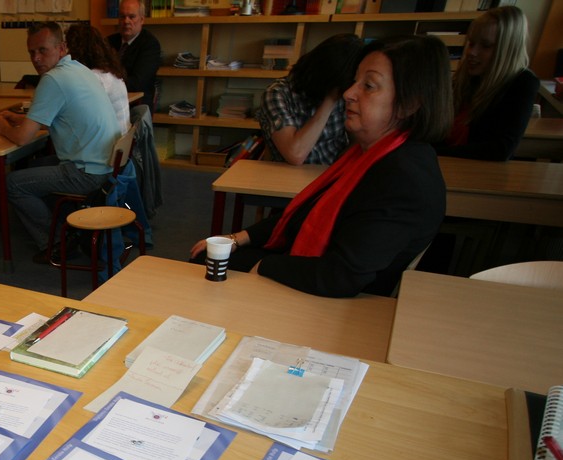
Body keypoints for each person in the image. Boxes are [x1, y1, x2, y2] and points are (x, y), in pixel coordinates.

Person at [189, 36, 452, 298]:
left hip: (341, 302)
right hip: (322, 272)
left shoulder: (403, 178)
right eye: (354, 82)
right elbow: (305, 215)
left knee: (207, 269)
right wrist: (238, 238)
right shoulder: (368, 155)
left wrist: (261, 267)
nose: (349, 94)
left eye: (369, 86)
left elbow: (339, 276)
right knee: (207, 258)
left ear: (410, 103)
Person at [0, 22, 119, 262]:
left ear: (61, 48)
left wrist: (2, 128)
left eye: (42, 50)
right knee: (34, 167)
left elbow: (22, 138)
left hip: (87, 173)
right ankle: (64, 227)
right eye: (31, 52)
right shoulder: (78, 69)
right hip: (107, 166)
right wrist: (23, 120)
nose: (36, 58)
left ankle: (56, 243)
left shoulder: (52, 79)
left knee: (12, 183)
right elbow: (62, 117)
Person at [436, 5, 538, 161]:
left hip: (471, 168)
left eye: (486, 46)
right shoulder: (464, 80)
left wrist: (435, 153)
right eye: (471, 44)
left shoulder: (522, 83)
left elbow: (501, 149)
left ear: (507, 49)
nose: (472, 53)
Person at [255, 34, 364, 165]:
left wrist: (339, 166)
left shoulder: (347, 92)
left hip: (332, 170)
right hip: (289, 174)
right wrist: (330, 100)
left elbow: (358, 142)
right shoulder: (277, 94)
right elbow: (295, 155)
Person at [65, 23, 130, 136]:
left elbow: (74, 116)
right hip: (119, 141)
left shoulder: (93, 78)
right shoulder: (109, 72)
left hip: (107, 143)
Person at [108, 0, 161, 111]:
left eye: (131, 17)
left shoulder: (150, 45)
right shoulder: (108, 41)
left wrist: (106, 85)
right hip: (110, 104)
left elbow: (137, 83)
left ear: (142, 20)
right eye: (122, 16)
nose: (126, 21)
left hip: (136, 108)